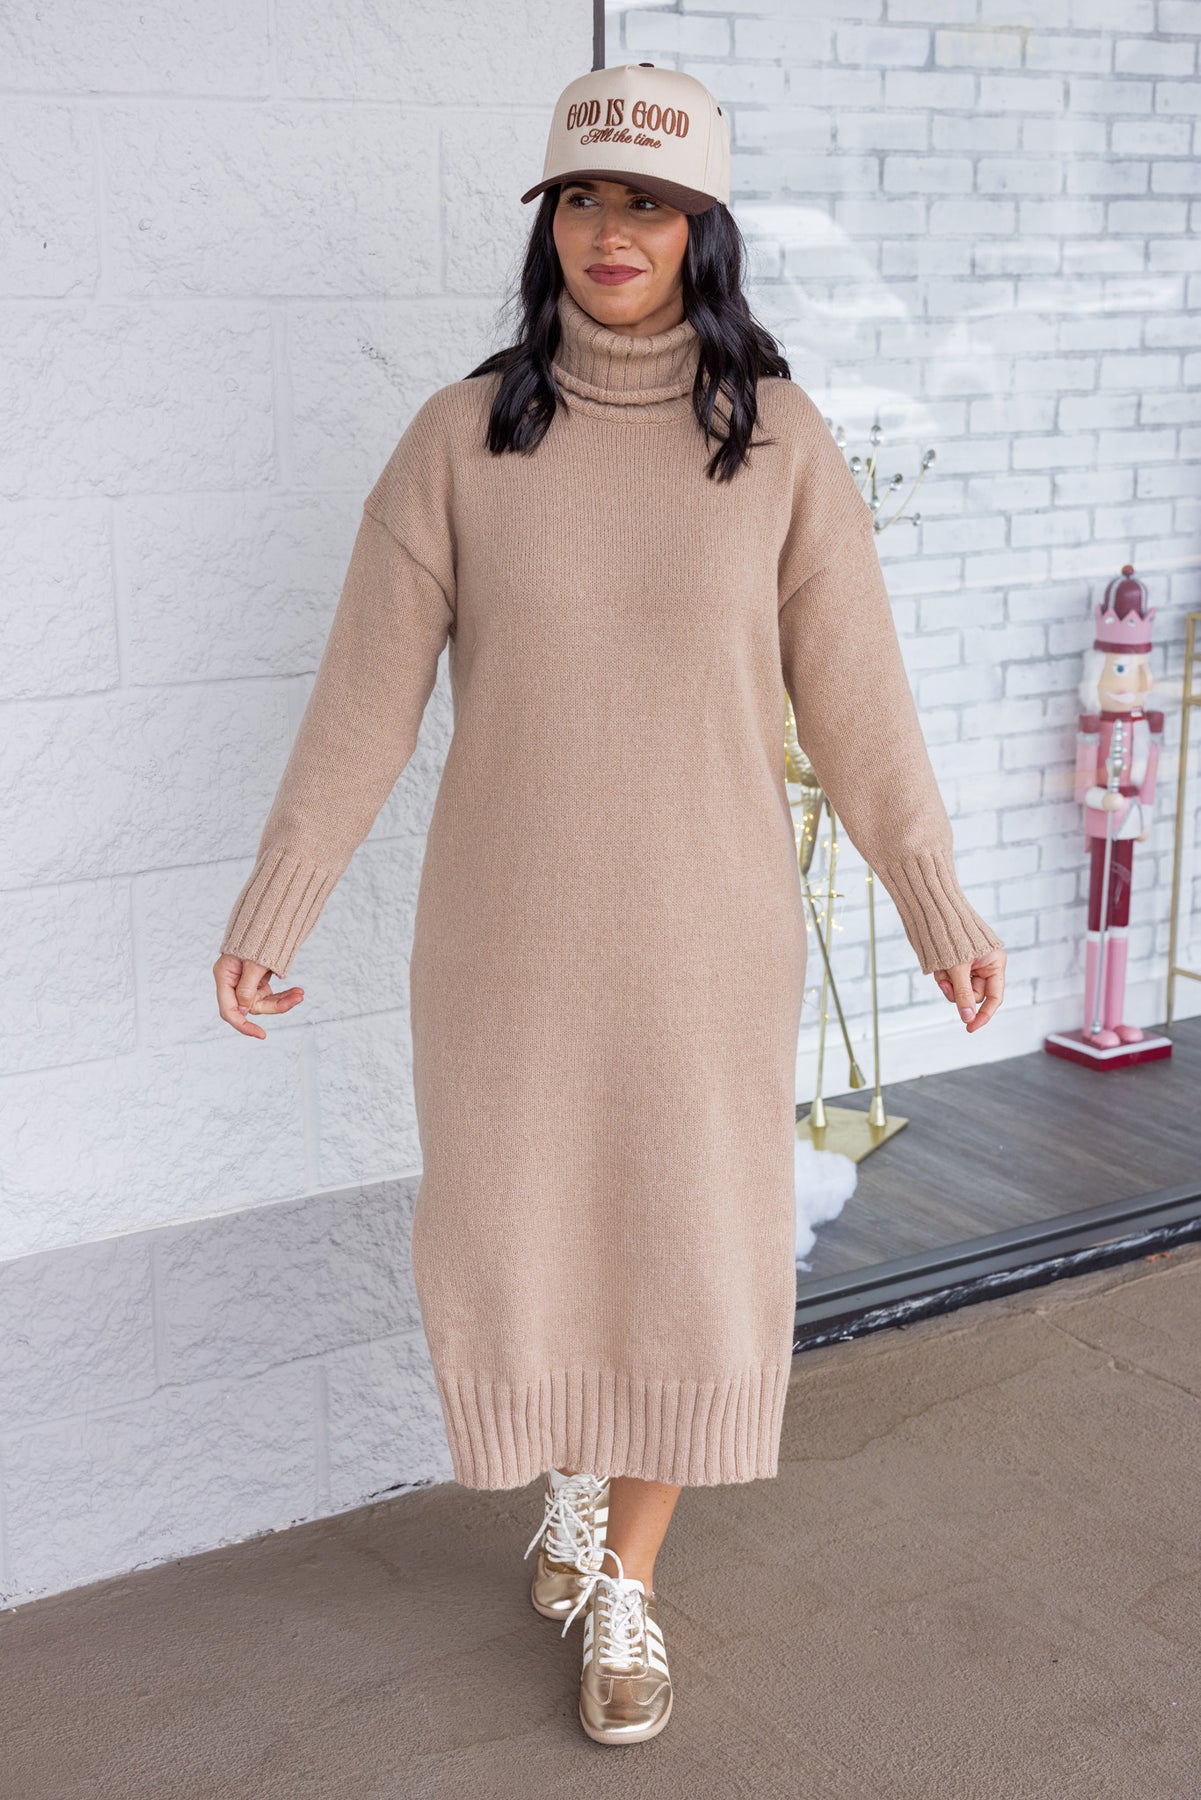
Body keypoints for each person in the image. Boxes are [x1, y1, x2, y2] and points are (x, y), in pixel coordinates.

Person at [213, 63, 1007, 1748]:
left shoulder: (777, 445)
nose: (610, 229)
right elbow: (361, 704)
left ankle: (627, 1572)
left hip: (707, 939)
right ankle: (569, 1489)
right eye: (582, 196)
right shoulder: (460, 439)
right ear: (549, 223)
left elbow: (859, 707)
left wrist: (934, 905)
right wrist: (277, 906)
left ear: (701, 226)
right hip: (503, 942)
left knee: (690, 1247)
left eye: (645, 200)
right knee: (533, 1237)